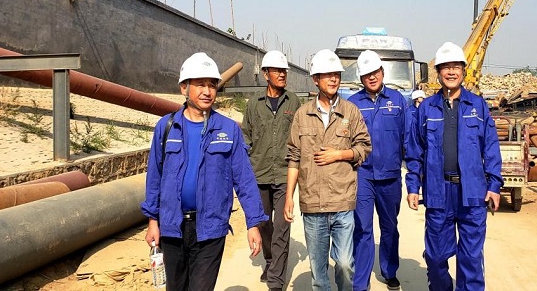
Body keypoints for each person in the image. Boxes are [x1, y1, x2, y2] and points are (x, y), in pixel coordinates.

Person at [142, 52, 267, 291]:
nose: (208, 91)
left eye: (212, 85)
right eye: (200, 84)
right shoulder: (166, 127)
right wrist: (152, 220)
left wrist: (253, 223)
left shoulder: (228, 129)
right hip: (172, 226)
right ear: (184, 88)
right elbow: (154, 178)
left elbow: (244, 180)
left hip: (210, 227)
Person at [405, 42, 503, 291]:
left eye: (456, 67)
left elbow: (491, 147)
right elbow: (415, 151)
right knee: (436, 256)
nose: (451, 72)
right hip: (439, 192)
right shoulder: (426, 108)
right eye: (445, 67)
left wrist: (494, 185)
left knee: (471, 259)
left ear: (463, 71)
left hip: (472, 193)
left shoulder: (477, 106)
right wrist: (413, 186)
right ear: (438, 73)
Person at [284, 48, 372, 291]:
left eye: (336, 74)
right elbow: (293, 157)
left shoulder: (351, 112)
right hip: (313, 203)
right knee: (318, 272)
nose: (333, 79)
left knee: (344, 263)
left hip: (342, 201)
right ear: (315, 79)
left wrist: (339, 154)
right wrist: (289, 197)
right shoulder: (302, 115)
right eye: (327, 74)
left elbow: (364, 147)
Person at [348, 50, 409, 291]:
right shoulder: (353, 103)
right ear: (361, 78)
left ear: (382, 72)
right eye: (366, 74)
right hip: (362, 175)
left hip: (390, 176)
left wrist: (414, 174)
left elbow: (407, 138)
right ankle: (360, 281)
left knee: (390, 227)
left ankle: (389, 270)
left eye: (375, 72)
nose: (372, 77)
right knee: (362, 227)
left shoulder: (398, 100)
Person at [241, 50, 301, 291]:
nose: (282, 74)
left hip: (285, 174)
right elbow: (245, 137)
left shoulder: (293, 102)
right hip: (259, 175)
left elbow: (299, 137)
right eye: (277, 70)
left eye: (284, 70)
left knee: (281, 228)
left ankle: (276, 280)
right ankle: (270, 260)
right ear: (266, 74)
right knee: (264, 224)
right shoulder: (253, 104)